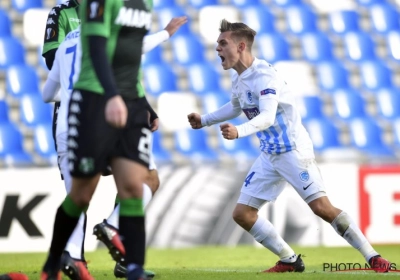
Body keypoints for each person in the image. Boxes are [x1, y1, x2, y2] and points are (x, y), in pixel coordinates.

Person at [187, 19, 392, 273]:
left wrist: (239, 131)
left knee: (322, 208)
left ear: (241, 46)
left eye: (222, 43)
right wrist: (204, 120)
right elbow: (236, 106)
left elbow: (267, 116)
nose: (217, 49)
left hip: (293, 151)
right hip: (270, 154)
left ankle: (374, 258)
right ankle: (289, 260)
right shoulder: (239, 80)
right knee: (242, 214)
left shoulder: (264, 75)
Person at [42, 15, 187, 279]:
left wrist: (69, 89)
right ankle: (118, 238)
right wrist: (166, 33)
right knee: (145, 180)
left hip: (68, 124)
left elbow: (46, 94)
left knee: (77, 196)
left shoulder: (67, 43)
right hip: (104, 119)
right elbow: (134, 51)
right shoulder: (107, 35)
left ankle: (67, 260)